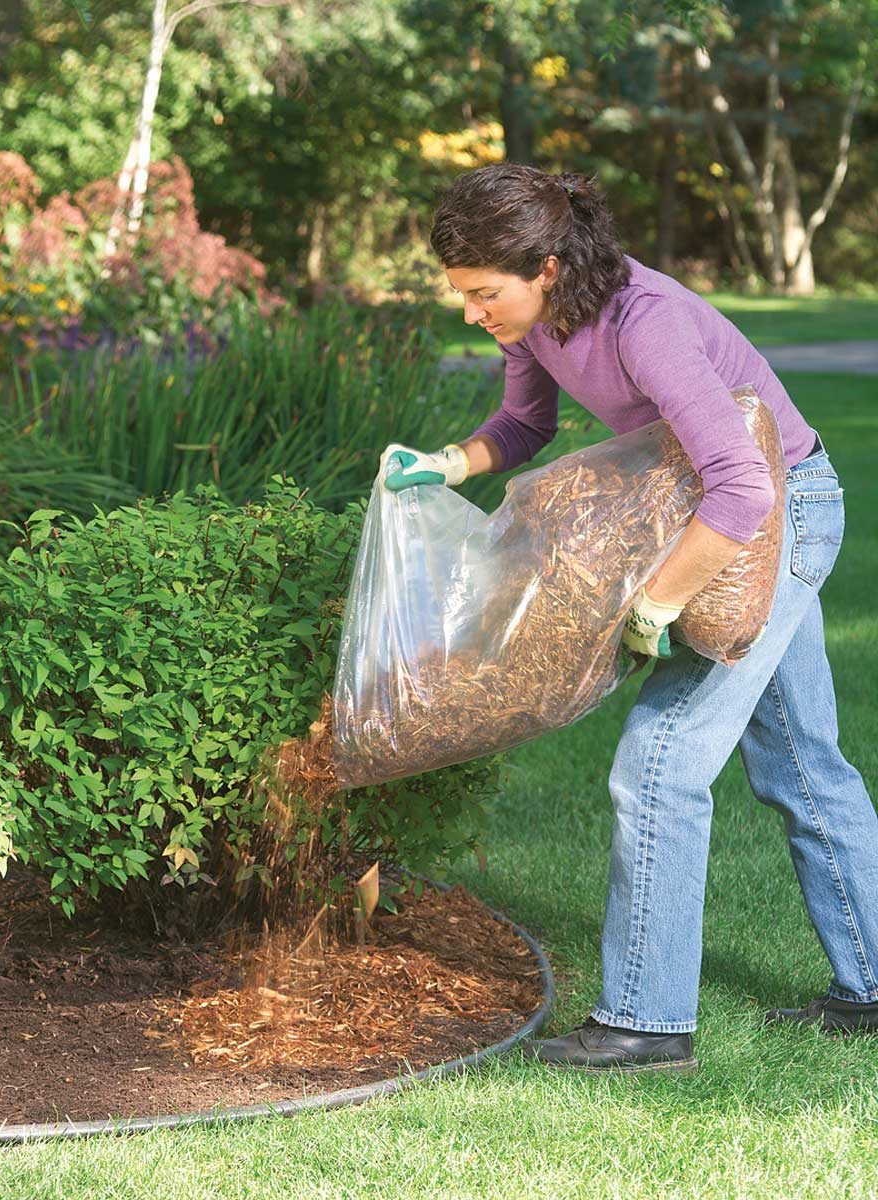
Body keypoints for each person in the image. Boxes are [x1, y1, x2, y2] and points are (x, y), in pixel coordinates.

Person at [384, 163, 878, 1073]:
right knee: (806, 766)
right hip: (730, 512)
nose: (470, 313)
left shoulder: (643, 323)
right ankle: (874, 990)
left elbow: (744, 487)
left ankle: (647, 1024)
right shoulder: (536, 321)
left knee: (659, 762)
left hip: (777, 518)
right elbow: (522, 428)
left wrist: (659, 599)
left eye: (481, 294)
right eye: (462, 296)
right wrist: (447, 463)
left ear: (543, 265)